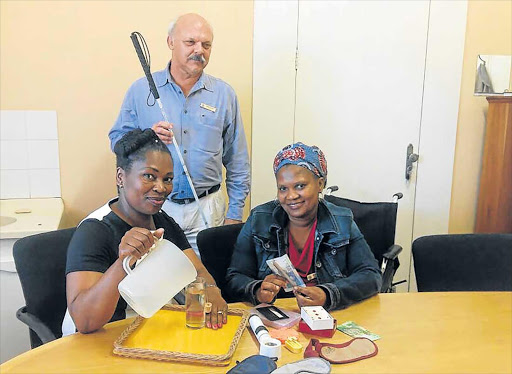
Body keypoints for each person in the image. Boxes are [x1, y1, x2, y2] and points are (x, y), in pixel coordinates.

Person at [108, 13, 250, 257]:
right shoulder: (141, 90)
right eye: (190, 42)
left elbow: (238, 160)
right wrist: (147, 136)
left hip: (208, 208)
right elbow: (117, 142)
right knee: (159, 283)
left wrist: (234, 215)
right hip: (156, 208)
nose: (199, 50)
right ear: (171, 42)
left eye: (206, 45)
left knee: (206, 283)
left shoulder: (224, 94)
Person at [65, 129, 227, 334]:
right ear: (121, 177)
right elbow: (85, 322)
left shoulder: (162, 221)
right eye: (149, 176)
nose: (161, 187)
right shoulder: (94, 231)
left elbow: (197, 272)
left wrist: (210, 290)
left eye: (168, 179)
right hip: (100, 338)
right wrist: (123, 262)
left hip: (146, 332)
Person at [225, 142, 382, 310]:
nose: (291, 196)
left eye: (300, 186)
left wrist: (328, 294)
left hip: (329, 314)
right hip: (278, 314)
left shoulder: (342, 220)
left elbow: (371, 275)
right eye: (283, 188)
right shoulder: (259, 219)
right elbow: (234, 277)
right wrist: (257, 290)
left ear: (320, 184)